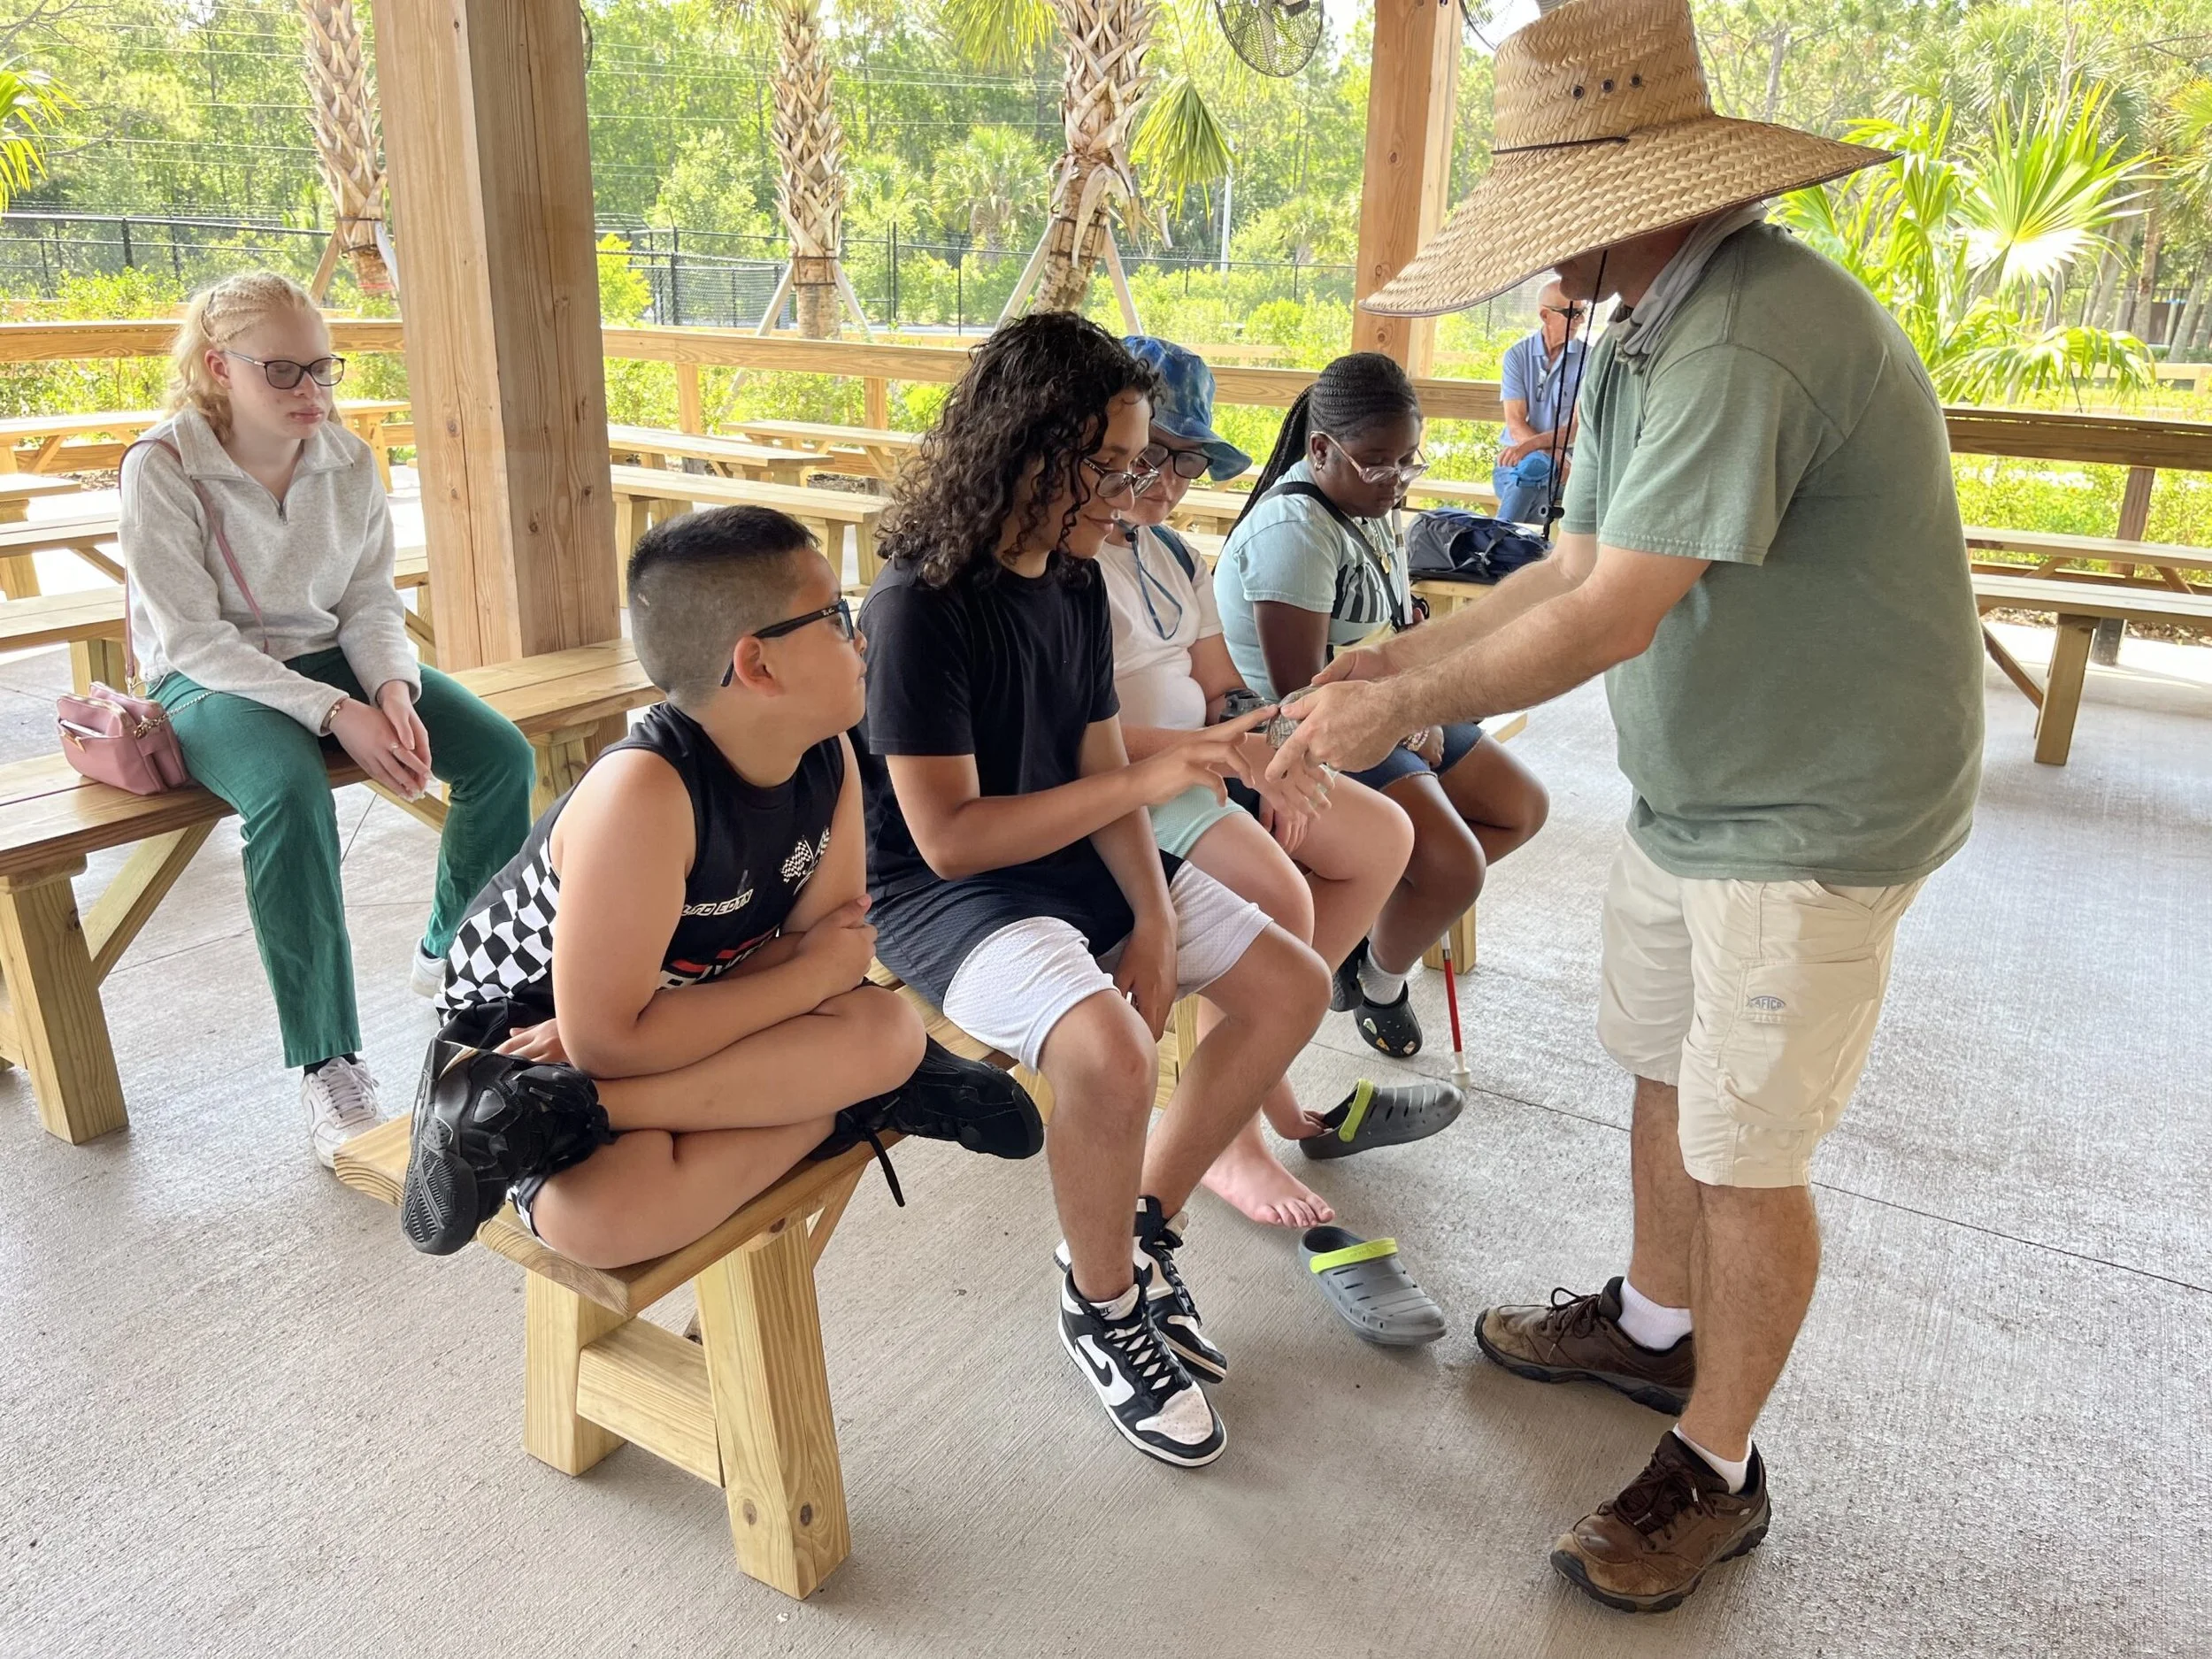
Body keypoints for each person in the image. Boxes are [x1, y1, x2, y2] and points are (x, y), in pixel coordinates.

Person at [1282, 0, 1985, 1613]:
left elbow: (1614, 619)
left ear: (1630, 194)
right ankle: (1655, 1331)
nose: (1551, 247)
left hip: (1812, 813)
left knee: (1749, 1151)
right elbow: (1570, 565)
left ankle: (1717, 1469)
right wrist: (1392, 650)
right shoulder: (1647, 323)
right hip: (1706, 790)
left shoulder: (1748, 332)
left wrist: (1395, 707)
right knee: (1669, 1077)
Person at [855, 312, 1331, 1469]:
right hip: (944, 896)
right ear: (1029, 447)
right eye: (1110, 464)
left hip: (1065, 855)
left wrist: (1158, 918)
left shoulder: (1072, 583)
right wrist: (1165, 776)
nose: (1128, 491)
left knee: (1290, 984)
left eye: (1133, 464)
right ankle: (1103, 1300)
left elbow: (1101, 767)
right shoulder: (918, 605)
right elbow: (952, 837)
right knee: (1111, 1050)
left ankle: (1142, 1229)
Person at [400, 506, 1042, 1265]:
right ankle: (845, 1096)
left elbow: (825, 958)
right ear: (757, 664)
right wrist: (807, 979)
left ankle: (590, 1112)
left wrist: (808, 975)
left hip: (656, 1029)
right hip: (531, 1043)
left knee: (890, 1031)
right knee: (601, 1217)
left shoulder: (827, 754)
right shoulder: (644, 794)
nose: (861, 635)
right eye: (836, 616)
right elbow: (610, 1033)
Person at [119, 270, 537, 1167]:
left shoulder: (346, 460)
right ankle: (328, 1061)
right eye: (282, 371)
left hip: (334, 660)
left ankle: (453, 954)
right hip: (206, 678)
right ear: (216, 367)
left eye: (322, 368)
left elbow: (367, 602)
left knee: (500, 753)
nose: (310, 391)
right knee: (287, 793)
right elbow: (191, 638)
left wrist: (389, 689)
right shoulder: (162, 466)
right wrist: (335, 709)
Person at [1103, 335, 1461, 1230]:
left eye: (1187, 463)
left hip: (1204, 761)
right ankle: (1238, 1131)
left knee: (1383, 836)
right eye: (1151, 458)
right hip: (1131, 783)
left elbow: (1223, 682)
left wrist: (1269, 753)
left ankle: (1254, 1077)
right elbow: (1074, 737)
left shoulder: (1174, 557)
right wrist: (1223, 754)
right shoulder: (1071, 567)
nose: (1168, 481)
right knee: (1281, 904)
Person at [1212, 350, 1548, 1059]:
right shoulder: (1294, 532)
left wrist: (1418, 692)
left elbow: (1387, 626)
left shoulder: (1363, 503)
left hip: (1384, 697)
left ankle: (1370, 930)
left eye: (1408, 462)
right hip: (1307, 728)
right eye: (1377, 463)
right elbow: (1301, 695)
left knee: (1521, 808)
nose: (1396, 482)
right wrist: (1407, 717)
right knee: (1456, 866)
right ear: (1321, 450)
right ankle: (1382, 982)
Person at [1492, 280, 1589, 526]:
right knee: (1534, 472)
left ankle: (1495, 545)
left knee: (1529, 477)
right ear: (1545, 315)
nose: (1580, 320)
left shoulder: (1591, 358)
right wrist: (1551, 453)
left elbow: (1576, 428)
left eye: (1582, 312)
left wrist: (1538, 450)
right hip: (1516, 462)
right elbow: (1515, 423)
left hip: (1567, 470)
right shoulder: (1517, 356)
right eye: (1571, 313)